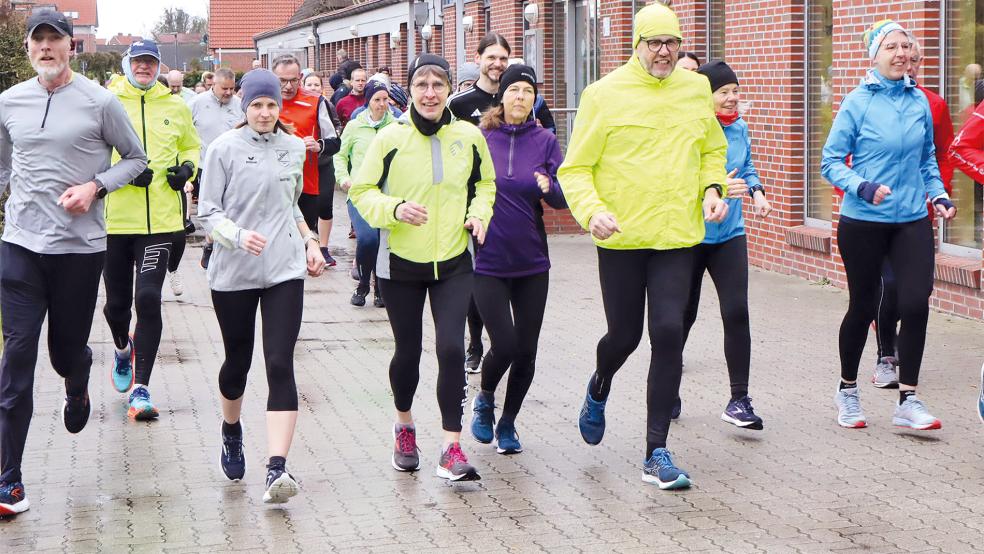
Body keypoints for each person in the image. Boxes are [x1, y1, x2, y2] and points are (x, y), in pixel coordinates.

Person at [559, 3, 729, 490]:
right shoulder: (603, 94)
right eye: (653, 42)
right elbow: (575, 168)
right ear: (635, 45)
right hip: (623, 238)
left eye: (671, 42)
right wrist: (593, 212)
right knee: (625, 337)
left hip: (677, 234)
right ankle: (599, 383)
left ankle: (656, 450)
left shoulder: (696, 89)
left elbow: (711, 150)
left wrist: (712, 189)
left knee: (670, 331)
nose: (663, 51)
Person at [0, 10, 148, 515]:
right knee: (16, 359)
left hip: (79, 252)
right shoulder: (8, 102)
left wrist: (95, 186)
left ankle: (78, 375)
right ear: (27, 49)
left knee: (63, 353)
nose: (46, 48)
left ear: (71, 48)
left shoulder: (100, 101)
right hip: (20, 247)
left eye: (55, 40)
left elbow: (137, 159)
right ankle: (9, 479)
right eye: (37, 40)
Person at [349, 53, 496, 482]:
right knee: (408, 352)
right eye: (421, 85)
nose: (430, 93)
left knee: (451, 349)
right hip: (400, 264)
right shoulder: (389, 138)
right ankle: (405, 426)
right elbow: (361, 191)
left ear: (450, 89)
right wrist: (394, 208)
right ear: (409, 91)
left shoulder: (468, 136)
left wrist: (479, 213)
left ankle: (451, 446)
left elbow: (485, 184)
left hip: (454, 260)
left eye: (437, 84)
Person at [199, 69, 326, 504]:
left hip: (283, 271)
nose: (265, 112)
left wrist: (310, 242)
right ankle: (231, 429)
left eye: (271, 105)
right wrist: (236, 235)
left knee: (279, 361)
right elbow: (206, 212)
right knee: (238, 362)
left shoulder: (294, 147)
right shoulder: (222, 150)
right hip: (233, 271)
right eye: (257, 105)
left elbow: (291, 207)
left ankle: (277, 467)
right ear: (243, 106)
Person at [822, 20, 954, 431]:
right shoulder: (857, 102)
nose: (901, 54)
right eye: (891, 47)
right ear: (874, 55)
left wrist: (939, 194)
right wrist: (861, 186)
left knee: (915, 302)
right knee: (863, 306)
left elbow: (927, 160)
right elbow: (829, 162)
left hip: (912, 218)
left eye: (906, 46)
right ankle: (847, 390)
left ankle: (908, 398)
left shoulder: (920, 102)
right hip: (863, 221)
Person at [470, 65, 567, 455]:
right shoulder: (481, 136)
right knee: (505, 344)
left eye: (528, 91)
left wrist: (550, 186)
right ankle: (485, 397)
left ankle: (508, 422)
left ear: (534, 100)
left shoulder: (545, 140)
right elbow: (465, 187)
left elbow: (564, 196)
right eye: (515, 90)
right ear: (502, 96)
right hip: (488, 260)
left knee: (527, 349)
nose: (521, 97)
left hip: (531, 262)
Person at [103, 41, 200, 419]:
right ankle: (122, 350)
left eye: (151, 63)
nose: (144, 68)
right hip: (114, 221)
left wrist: (188, 170)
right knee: (116, 306)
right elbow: (90, 155)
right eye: (138, 62)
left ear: (159, 67)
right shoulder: (106, 102)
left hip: (159, 223)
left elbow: (192, 146)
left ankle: (141, 388)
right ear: (127, 64)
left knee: (147, 298)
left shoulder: (175, 105)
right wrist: (122, 173)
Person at [676, 60, 771, 429]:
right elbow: (680, 178)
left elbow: (746, 169)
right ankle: (667, 389)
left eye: (735, 91)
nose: (732, 98)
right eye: (723, 92)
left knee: (736, 312)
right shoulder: (692, 130)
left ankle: (739, 400)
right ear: (707, 96)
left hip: (729, 234)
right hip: (691, 235)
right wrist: (712, 186)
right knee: (681, 316)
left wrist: (758, 193)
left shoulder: (740, 128)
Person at [869, 38, 955, 389]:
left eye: (916, 59)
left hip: (917, 211)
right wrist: (862, 189)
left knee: (918, 292)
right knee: (888, 283)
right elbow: (847, 156)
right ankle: (886, 354)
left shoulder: (931, 103)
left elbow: (942, 154)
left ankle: (904, 350)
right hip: (877, 211)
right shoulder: (868, 101)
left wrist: (937, 193)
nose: (909, 64)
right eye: (903, 56)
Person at [271, 54, 342, 266]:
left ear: (300, 76)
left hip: (306, 185)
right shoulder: (264, 101)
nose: (288, 86)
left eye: (293, 80)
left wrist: (319, 145)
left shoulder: (315, 101)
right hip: (272, 181)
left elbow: (335, 142)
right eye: (282, 80)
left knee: (302, 240)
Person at [335, 79, 396, 308]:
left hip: (386, 193)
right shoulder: (355, 126)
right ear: (368, 102)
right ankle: (362, 283)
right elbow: (340, 155)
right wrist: (343, 178)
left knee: (383, 241)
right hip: (359, 192)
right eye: (377, 100)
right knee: (369, 239)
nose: (382, 104)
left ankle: (379, 287)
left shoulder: (395, 125)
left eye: (385, 100)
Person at [188, 68, 242, 270]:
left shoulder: (240, 106)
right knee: (212, 209)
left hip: (235, 166)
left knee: (231, 209)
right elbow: (184, 131)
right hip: (206, 166)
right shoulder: (196, 104)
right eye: (224, 88)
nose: (228, 93)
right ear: (213, 85)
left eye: (232, 88)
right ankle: (211, 244)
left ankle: (217, 244)